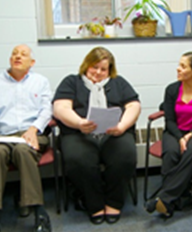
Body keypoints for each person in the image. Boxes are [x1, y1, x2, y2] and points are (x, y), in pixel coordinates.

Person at [0, 44, 52, 232]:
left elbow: (47, 110)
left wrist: (33, 129)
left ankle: (39, 211)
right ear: (10, 59)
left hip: (31, 134)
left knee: (23, 150)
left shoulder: (40, 82)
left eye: (23, 54)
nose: (18, 56)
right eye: (14, 53)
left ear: (32, 62)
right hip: (2, 138)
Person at [52, 47, 140, 225]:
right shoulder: (71, 82)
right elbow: (60, 108)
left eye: (103, 69)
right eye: (94, 67)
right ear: (86, 65)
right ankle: (94, 203)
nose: (98, 73)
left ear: (110, 70)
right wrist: (79, 123)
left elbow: (134, 106)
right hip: (79, 133)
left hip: (113, 132)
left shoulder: (118, 82)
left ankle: (113, 201)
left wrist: (122, 126)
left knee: (125, 157)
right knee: (78, 159)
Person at [145, 52, 192, 217]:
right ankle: (170, 202)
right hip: (174, 131)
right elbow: (169, 120)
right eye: (179, 64)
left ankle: (164, 198)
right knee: (171, 152)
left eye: (183, 66)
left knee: (191, 151)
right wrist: (180, 137)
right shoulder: (172, 89)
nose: (178, 69)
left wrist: (190, 135)